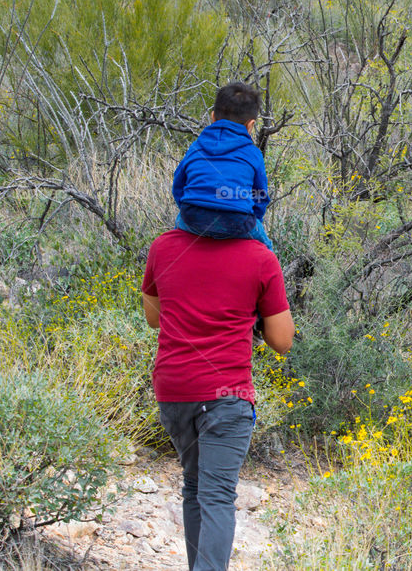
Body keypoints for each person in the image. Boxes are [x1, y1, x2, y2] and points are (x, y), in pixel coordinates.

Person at [141, 228, 293, 571]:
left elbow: (153, 317)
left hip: (174, 390)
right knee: (218, 496)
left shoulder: (163, 246)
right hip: (227, 395)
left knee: (194, 486)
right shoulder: (259, 257)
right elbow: (282, 342)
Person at [172, 81, 274, 251]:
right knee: (267, 249)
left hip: (193, 216)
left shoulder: (196, 146)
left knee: (175, 234)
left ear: (213, 117)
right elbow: (260, 196)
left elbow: (178, 185)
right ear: (251, 125)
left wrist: (188, 209)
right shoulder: (253, 153)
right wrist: (254, 222)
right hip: (237, 221)